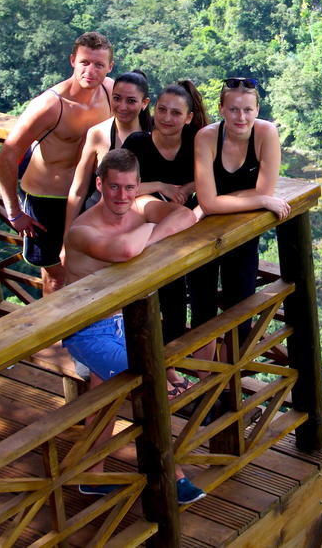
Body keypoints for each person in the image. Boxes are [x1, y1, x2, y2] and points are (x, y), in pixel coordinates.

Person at [62, 148, 205, 505]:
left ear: (139, 185)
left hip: (126, 321)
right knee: (151, 383)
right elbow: (125, 252)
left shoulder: (140, 209)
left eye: (129, 188)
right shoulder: (82, 230)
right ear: (99, 184)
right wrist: (152, 231)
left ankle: (89, 474)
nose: (122, 196)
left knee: (103, 402)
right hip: (88, 328)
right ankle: (172, 477)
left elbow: (185, 215)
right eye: (113, 187)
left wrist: (146, 232)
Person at [0, 32, 115, 294]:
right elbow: (6, 157)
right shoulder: (49, 105)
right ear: (73, 60)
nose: (90, 71)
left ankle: (93, 333)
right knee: (56, 273)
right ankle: (55, 336)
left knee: (91, 270)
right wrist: (14, 212)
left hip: (88, 196)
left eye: (98, 65)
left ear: (109, 67)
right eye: (85, 62)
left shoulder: (110, 92)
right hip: (47, 198)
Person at [189, 77, 290, 347]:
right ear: (221, 109)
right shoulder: (207, 137)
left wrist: (214, 202)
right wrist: (259, 200)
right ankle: (206, 385)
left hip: (243, 235)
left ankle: (226, 386)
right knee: (202, 316)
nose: (241, 117)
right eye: (233, 109)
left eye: (247, 110)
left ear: (257, 110)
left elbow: (262, 191)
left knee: (241, 315)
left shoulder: (266, 133)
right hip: (202, 235)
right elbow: (211, 202)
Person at [121, 79, 207, 388]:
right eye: (161, 110)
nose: (166, 118)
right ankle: (154, 369)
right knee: (146, 302)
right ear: (153, 110)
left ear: (188, 118)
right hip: (145, 233)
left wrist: (187, 187)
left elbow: (211, 175)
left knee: (179, 303)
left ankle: (172, 366)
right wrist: (160, 186)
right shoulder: (137, 143)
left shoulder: (198, 141)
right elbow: (121, 186)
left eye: (175, 113)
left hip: (190, 232)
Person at [65, 70, 152, 235]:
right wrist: (67, 237)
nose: (122, 106)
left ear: (144, 103)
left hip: (139, 223)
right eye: (117, 98)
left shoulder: (155, 135)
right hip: (97, 220)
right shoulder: (98, 133)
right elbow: (78, 190)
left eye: (131, 101)